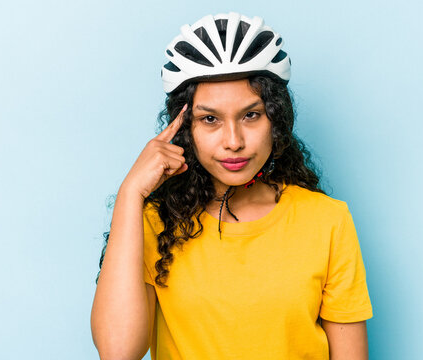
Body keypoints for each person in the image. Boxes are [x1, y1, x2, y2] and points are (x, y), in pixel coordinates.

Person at [91, 12, 373, 360]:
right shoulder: (154, 222)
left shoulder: (327, 221)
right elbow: (118, 352)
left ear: (276, 119)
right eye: (210, 119)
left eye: (250, 115)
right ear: (185, 128)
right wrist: (130, 194)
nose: (234, 141)